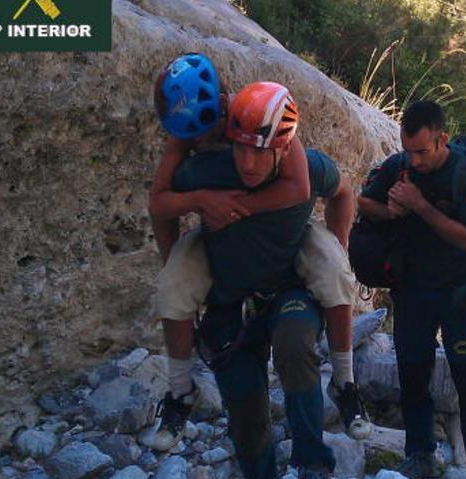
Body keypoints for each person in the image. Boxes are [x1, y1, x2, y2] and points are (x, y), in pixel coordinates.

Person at [147, 54, 369, 456]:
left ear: (223, 102)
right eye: (192, 134)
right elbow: (159, 204)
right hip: (226, 268)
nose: (204, 138)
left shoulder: (263, 120)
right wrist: (197, 207)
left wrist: (337, 243)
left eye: (211, 125)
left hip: (283, 261)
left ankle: (344, 381)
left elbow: (302, 188)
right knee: (174, 286)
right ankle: (180, 391)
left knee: (335, 274)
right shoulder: (190, 149)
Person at [357, 101, 466, 479]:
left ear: (442, 139)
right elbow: (363, 201)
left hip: (461, 293)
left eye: (422, 151)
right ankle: (419, 453)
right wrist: (390, 211)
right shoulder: (399, 167)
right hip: (413, 291)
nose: (415, 160)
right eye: (409, 150)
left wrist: (418, 206)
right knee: (413, 374)